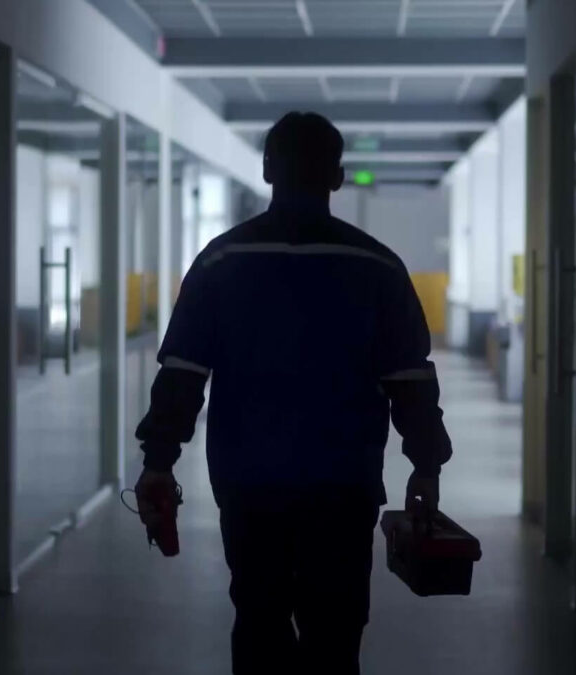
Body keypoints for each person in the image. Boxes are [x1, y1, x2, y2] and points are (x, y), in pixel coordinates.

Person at [134, 111, 453, 675]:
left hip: (249, 483)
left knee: (258, 622)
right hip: (344, 485)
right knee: (335, 632)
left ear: (266, 170)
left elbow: (182, 374)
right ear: (337, 176)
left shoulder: (221, 261)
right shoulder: (377, 267)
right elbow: (411, 379)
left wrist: (159, 461)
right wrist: (425, 465)